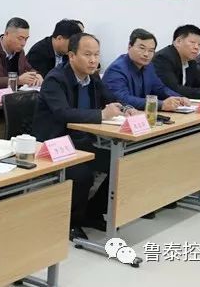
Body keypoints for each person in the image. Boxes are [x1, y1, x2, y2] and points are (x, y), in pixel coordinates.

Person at [32, 33, 129, 240]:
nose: (93, 60)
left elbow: (111, 98)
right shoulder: (55, 79)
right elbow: (63, 113)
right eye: (87, 55)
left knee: (120, 163)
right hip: (55, 143)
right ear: (71, 56)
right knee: (82, 174)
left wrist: (127, 109)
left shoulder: (93, 77)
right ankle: (71, 222)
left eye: (96, 55)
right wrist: (102, 115)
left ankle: (92, 212)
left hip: (81, 141)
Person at [103, 29, 189, 111]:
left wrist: (179, 98)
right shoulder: (117, 69)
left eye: (151, 50)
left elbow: (159, 88)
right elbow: (122, 99)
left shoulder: (149, 66)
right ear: (129, 47)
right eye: (142, 48)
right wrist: (160, 104)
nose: (146, 54)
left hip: (140, 114)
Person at [0, 17, 42, 88]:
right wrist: (17, 80)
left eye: (26, 39)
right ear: (6, 34)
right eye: (20, 38)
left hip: (15, 93)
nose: (23, 43)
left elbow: (28, 68)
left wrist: (36, 75)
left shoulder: (19, 51)